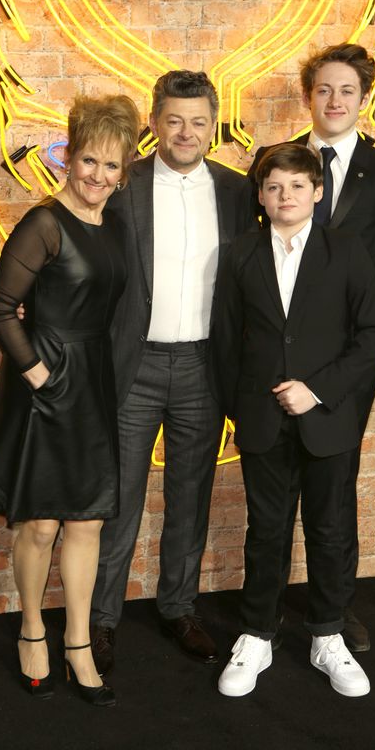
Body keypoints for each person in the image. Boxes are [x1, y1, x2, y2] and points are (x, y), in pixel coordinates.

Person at [248, 43, 375, 651]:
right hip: (281, 360)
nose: (335, 100)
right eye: (324, 89)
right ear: (307, 97)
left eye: (347, 90)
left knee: (335, 487)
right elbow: (254, 258)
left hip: (350, 363)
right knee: (276, 495)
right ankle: (265, 617)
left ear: (364, 99)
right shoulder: (276, 165)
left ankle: (334, 613)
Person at [0, 94, 140, 706]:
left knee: (88, 520)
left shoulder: (116, 225)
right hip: (45, 386)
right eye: (89, 161)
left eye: (112, 167)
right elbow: (0, 309)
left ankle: (79, 644)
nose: (98, 176)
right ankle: (31, 631)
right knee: (42, 523)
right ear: (68, 156)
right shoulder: (43, 222)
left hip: (93, 381)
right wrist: (40, 375)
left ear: (124, 173)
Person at [90, 70, 256, 674]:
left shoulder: (240, 193)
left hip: (204, 365)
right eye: (174, 120)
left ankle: (179, 607)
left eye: (198, 121)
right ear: (155, 124)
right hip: (132, 364)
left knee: (191, 494)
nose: (186, 132)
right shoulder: (121, 183)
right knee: (118, 498)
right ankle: (99, 621)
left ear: (214, 127)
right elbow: (79, 247)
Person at [213, 144, 375, 697]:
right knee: (265, 531)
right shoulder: (239, 254)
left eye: (296, 186)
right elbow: (225, 342)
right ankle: (257, 635)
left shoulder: (347, 250)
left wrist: (318, 391)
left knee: (330, 530)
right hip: (263, 421)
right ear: (260, 196)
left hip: (330, 418)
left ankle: (328, 635)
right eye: (273, 187)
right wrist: (239, 409)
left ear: (317, 191)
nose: (284, 196)